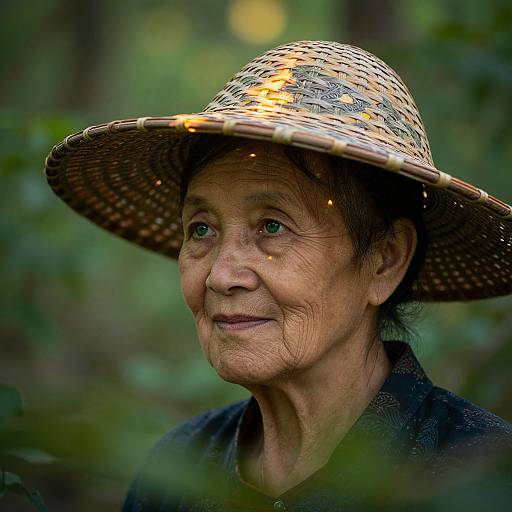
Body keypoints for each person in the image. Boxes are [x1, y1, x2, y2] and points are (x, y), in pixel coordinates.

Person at [44, 40, 512, 511]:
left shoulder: (476, 478)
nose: (221, 276)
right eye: (201, 228)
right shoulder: (178, 473)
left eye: (273, 226)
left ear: (385, 261)